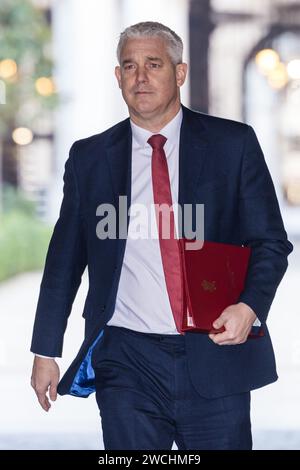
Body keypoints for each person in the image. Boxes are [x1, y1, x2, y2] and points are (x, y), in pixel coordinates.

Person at [30, 21, 293, 450]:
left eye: (154, 64)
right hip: (127, 361)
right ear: (118, 78)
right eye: (129, 66)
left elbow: (271, 243)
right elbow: (63, 263)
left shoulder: (233, 145)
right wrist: (45, 349)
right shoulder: (90, 159)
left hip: (214, 353)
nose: (140, 77)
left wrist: (249, 306)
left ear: (180, 72)